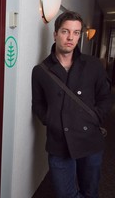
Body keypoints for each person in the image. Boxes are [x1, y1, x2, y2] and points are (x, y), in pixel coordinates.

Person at [31, 11, 112, 198]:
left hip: (90, 141)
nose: (70, 37)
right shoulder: (41, 71)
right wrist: (52, 121)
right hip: (59, 144)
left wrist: (96, 117)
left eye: (76, 33)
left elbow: (106, 97)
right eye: (65, 31)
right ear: (55, 34)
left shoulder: (93, 65)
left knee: (90, 191)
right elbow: (38, 104)